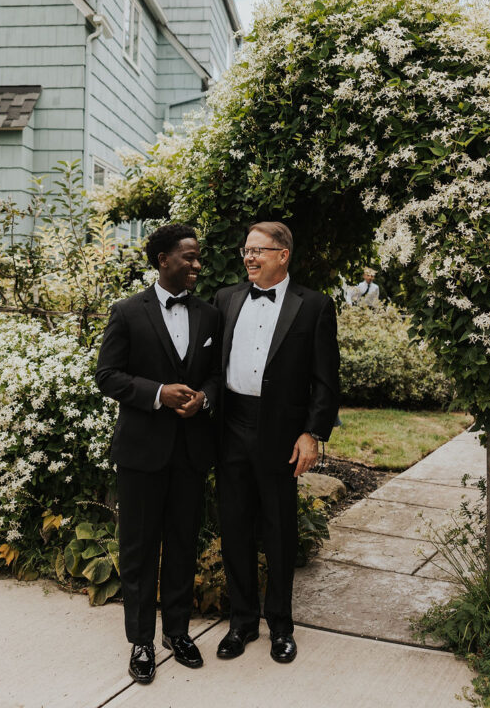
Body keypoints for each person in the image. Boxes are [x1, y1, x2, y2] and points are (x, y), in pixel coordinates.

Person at [96, 224, 221, 685]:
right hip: (142, 453)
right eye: (187, 257)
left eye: (197, 257)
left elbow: (215, 375)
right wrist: (159, 393)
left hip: (190, 452)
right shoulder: (127, 312)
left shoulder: (208, 315)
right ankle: (141, 642)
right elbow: (107, 376)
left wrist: (203, 399)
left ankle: (177, 632)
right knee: (139, 550)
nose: (196, 264)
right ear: (162, 260)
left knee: (184, 543)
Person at [214, 221, 339, 665]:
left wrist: (312, 433)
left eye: (258, 251)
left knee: (279, 531)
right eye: (246, 250)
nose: (249, 257)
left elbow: (326, 381)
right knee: (234, 529)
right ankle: (242, 622)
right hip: (231, 427)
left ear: (283, 255)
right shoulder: (226, 299)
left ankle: (281, 627)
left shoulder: (315, 307)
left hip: (281, 433)